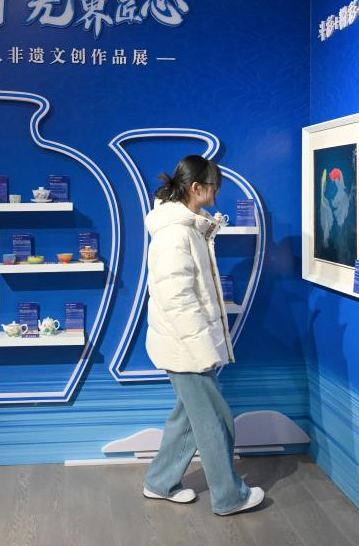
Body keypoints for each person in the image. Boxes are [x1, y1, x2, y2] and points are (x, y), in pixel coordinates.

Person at [141, 155, 265, 515]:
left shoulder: (187, 228)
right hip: (185, 348)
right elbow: (178, 300)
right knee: (214, 421)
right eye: (213, 187)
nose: (216, 194)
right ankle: (229, 496)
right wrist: (203, 350)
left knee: (188, 420)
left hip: (185, 345)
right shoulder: (175, 234)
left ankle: (160, 481)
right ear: (196, 188)